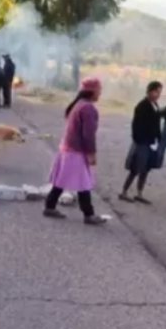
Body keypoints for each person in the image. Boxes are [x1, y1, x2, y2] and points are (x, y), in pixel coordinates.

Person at [43, 78, 107, 225]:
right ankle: (89, 215)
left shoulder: (79, 104)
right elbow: (88, 135)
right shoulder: (88, 108)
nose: (100, 93)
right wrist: (91, 154)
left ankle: (50, 206)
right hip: (76, 151)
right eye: (99, 90)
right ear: (92, 91)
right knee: (84, 183)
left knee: (61, 180)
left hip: (67, 148)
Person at [119, 81, 163, 203]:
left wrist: (158, 138)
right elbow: (136, 126)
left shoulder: (155, 105)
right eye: (155, 91)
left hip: (151, 142)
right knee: (136, 168)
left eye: (159, 92)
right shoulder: (142, 106)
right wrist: (138, 140)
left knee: (146, 168)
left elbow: (156, 125)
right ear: (149, 91)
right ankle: (124, 191)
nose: (157, 94)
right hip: (142, 142)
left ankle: (139, 192)